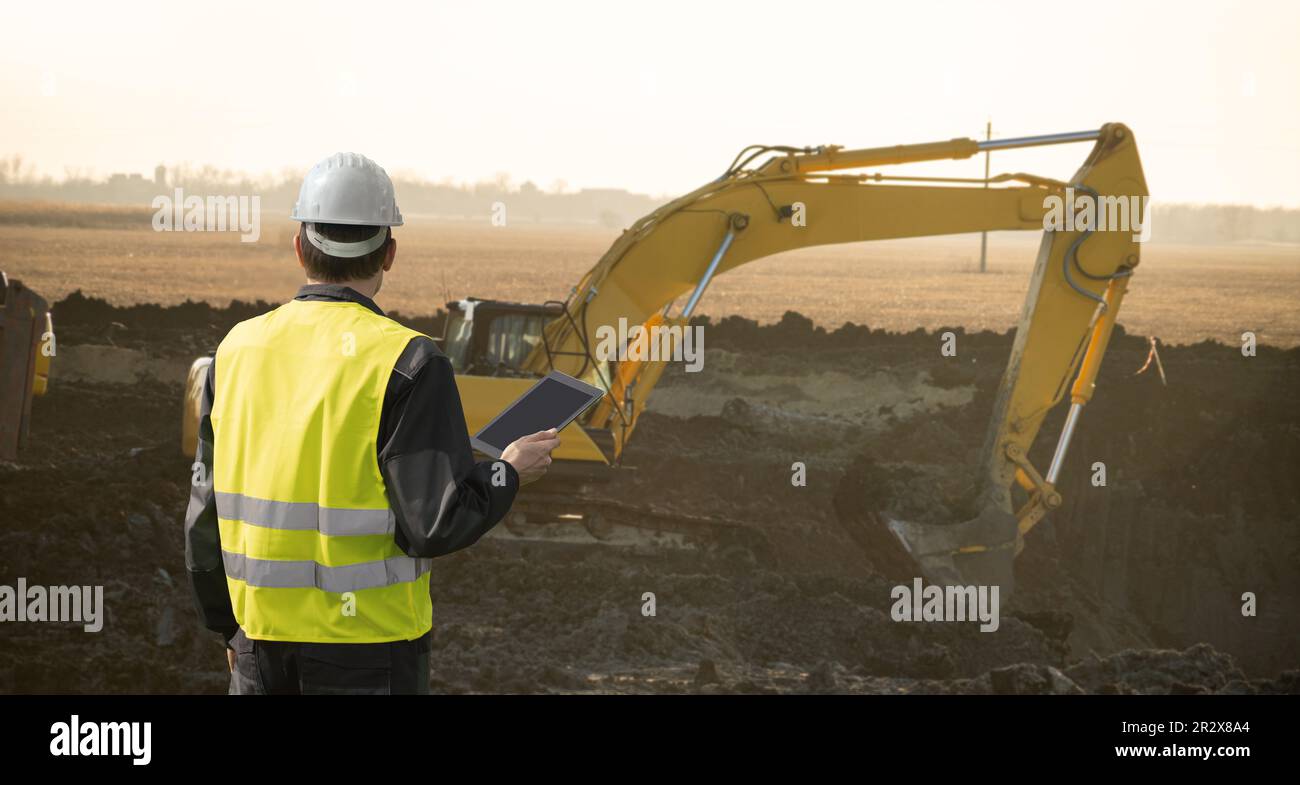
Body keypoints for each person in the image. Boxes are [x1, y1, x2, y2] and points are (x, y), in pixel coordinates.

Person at [183, 152, 558, 694]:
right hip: (369, 654)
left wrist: (229, 629)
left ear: (298, 248)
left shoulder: (236, 349)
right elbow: (436, 523)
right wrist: (509, 472)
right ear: (390, 253)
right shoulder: (409, 362)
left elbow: (204, 515)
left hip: (256, 648)